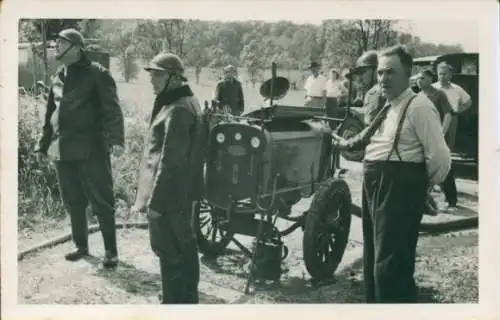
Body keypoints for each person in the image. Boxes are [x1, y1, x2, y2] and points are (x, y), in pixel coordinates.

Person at [333, 45, 451, 303]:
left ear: (407, 74)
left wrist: (421, 186)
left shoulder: (419, 106)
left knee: (390, 266)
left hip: (398, 186)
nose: (383, 78)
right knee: (374, 260)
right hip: (375, 184)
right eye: (381, 73)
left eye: (391, 73)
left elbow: (441, 159)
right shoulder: (389, 105)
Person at [35, 28, 124, 268]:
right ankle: (80, 245)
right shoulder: (58, 76)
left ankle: (110, 251)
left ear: (76, 47)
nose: (56, 47)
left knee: (102, 201)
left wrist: (115, 139)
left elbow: (112, 109)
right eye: (56, 43)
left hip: (92, 150)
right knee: (73, 201)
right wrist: (42, 145)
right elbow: (50, 115)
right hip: (63, 149)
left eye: (61, 43)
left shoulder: (97, 73)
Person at [132, 52, 204, 304]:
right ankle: (184, 299)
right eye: (152, 74)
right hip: (178, 192)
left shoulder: (178, 109)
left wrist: (156, 203)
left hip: (170, 195)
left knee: (170, 251)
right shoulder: (181, 101)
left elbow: (170, 162)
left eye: (158, 74)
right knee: (183, 247)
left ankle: (174, 302)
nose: (152, 80)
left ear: (174, 78)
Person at [432, 62, 472, 211]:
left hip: (451, 120)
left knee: (445, 153)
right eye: (440, 73)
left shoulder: (456, 89)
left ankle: (447, 188)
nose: (442, 76)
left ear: (450, 75)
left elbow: (469, 101)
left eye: (445, 73)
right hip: (435, 119)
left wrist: (459, 110)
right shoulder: (433, 88)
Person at [416, 69, 454, 214]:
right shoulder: (418, 96)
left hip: (437, 136)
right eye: (418, 78)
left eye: (422, 78)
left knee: (444, 167)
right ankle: (425, 200)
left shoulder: (439, 95)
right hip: (423, 137)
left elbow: (448, 115)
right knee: (424, 168)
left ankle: (452, 200)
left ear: (430, 79)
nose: (419, 81)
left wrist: (441, 133)